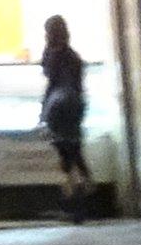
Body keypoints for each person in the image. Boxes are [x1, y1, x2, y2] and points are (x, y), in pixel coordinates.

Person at [37, 13, 98, 206]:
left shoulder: (52, 53)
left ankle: (71, 186)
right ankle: (84, 180)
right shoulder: (74, 55)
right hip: (76, 103)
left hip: (58, 104)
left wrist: (43, 110)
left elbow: (51, 82)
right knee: (74, 144)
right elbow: (79, 84)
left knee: (62, 145)